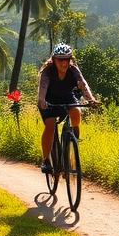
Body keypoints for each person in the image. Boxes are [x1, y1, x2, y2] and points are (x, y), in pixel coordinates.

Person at [37, 43, 96, 173]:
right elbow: (43, 89)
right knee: (51, 125)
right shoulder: (47, 72)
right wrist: (41, 101)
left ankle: (73, 138)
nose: (64, 63)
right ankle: (46, 160)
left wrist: (91, 100)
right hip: (48, 101)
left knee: (76, 111)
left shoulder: (73, 70)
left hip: (67, 98)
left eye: (67, 59)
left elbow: (83, 85)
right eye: (60, 59)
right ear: (54, 60)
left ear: (70, 60)